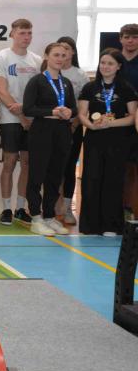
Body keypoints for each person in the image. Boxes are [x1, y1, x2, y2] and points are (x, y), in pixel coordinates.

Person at [78, 50, 137, 236]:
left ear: (118, 66)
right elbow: (82, 114)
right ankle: (90, 225)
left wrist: (111, 123)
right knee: (91, 179)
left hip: (118, 141)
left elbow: (132, 117)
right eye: (103, 62)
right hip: (94, 139)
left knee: (113, 180)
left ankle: (111, 225)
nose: (105, 66)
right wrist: (91, 126)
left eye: (110, 63)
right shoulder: (89, 87)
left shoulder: (126, 88)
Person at [0, 18, 42, 227]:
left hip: (32, 119)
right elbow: (1, 91)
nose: (26, 37)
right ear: (12, 34)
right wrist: (21, 116)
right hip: (11, 118)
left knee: (27, 163)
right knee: (9, 162)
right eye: (22, 33)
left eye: (29, 33)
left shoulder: (37, 60)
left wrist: (29, 115)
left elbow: (40, 91)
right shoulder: (2, 57)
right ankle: (6, 209)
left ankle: (20, 208)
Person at [22, 43, 77, 236]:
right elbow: (28, 109)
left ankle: (49, 216)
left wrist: (70, 112)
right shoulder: (36, 81)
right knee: (36, 176)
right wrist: (52, 111)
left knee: (55, 176)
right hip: (41, 132)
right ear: (46, 56)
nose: (60, 59)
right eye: (56, 55)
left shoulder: (66, 82)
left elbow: (74, 108)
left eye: (63, 55)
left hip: (62, 132)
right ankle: (36, 217)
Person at [55, 37, 89, 225]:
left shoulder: (80, 75)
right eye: (59, 49)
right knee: (53, 167)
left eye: (67, 49)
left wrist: (75, 123)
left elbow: (83, 105)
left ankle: (68, 208)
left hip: (73, 126)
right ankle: (51, 206)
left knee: (69, 168)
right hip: (53, 127)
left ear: (73, 52)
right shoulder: (50, 72)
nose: (63, 53)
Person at [116, 24, 138, 219]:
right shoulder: (113, 59)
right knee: (116, 166)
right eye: (127, 37)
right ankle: (113, 207)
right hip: (115, 120)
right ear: (120, 39)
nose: (130, 40)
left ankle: (129, 208)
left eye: (135, 37)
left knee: (133, 167)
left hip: (136, 120)